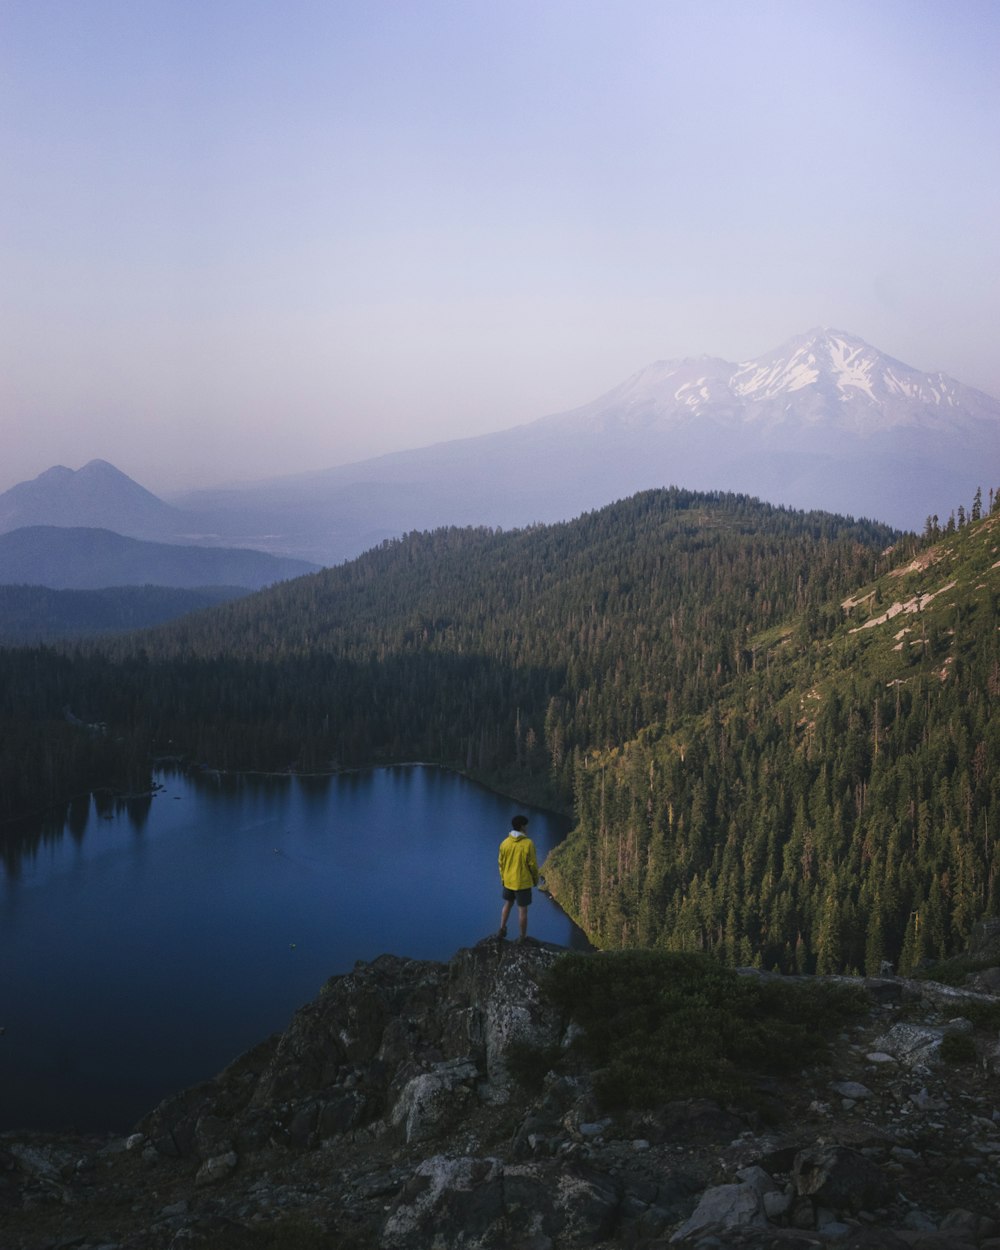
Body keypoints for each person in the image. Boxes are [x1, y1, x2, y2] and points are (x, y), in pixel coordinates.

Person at [498, 814, 540, 941]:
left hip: (509, 881)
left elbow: (501, 863)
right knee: (522, 911)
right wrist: (535, 879)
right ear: (522, 826)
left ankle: (502, 928)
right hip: (522, 883)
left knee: (507, 904)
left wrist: (503, 879)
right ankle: (522, 937)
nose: (527, 827)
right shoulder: (528, 843)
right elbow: (532, 864)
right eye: (526, 825)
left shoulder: (505, 843)